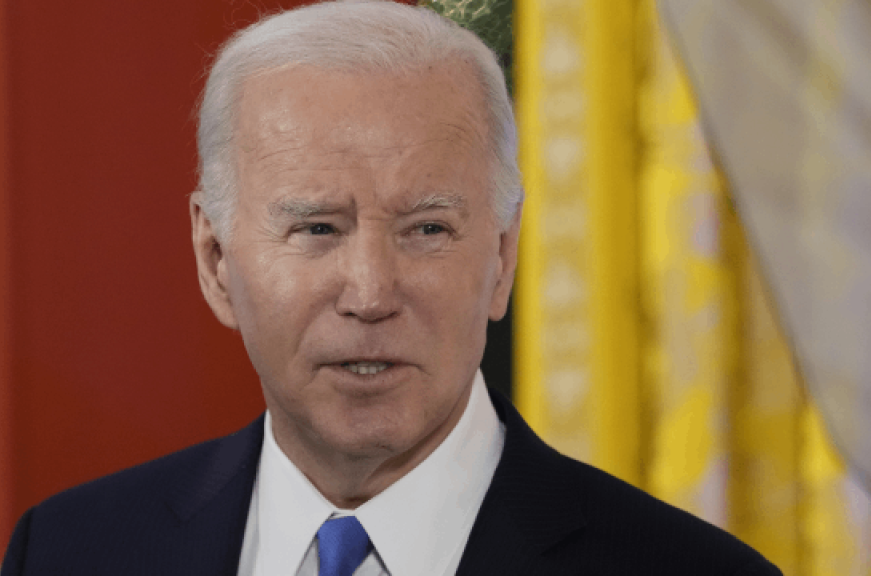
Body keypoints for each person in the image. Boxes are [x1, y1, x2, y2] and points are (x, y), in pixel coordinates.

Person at [1, 1, 781, 574]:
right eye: (316, 229)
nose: (371, 293)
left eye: (427, 230)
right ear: (214, 261)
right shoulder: (69, 552)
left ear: (502, 259)